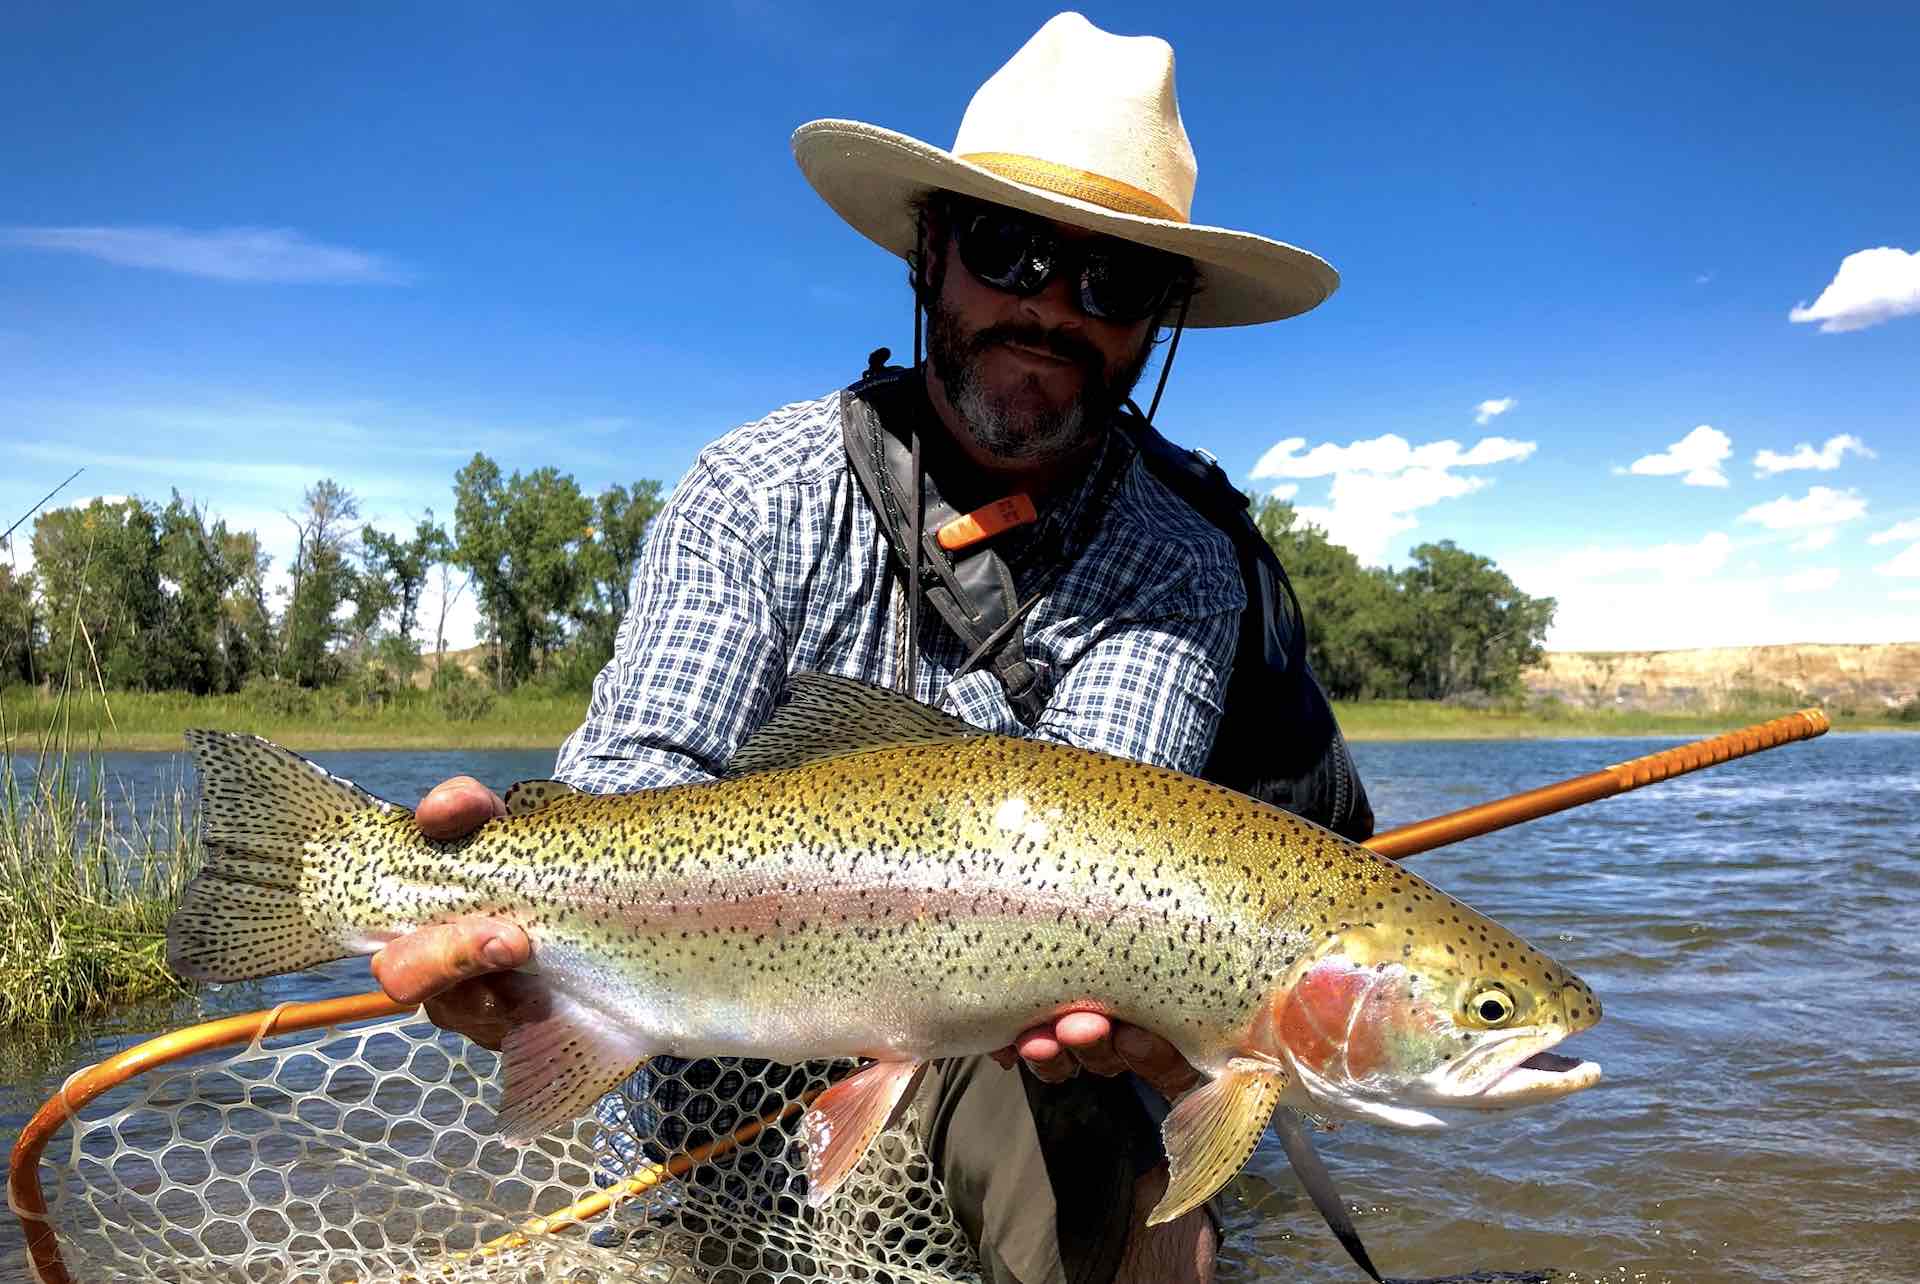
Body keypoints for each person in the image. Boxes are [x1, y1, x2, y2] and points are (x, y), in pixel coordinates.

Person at [371, 13, 1354, 1284]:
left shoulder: (1181, 563)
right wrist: (534, 936)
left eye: (1110, 283)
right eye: (1009, 249)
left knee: (1106, 1149)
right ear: (932, 252)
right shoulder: (755, 489)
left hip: (1007, 1056)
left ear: (1157, 323)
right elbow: (642, 773)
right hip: (718, 1032)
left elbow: (1083, 868)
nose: (1050, 308)